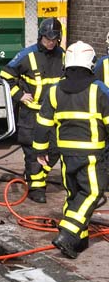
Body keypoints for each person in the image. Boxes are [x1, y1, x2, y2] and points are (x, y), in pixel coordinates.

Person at [32, 41, 109, 259]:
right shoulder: (99, 90)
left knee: (74, 193)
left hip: (66, 153)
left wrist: (40, 151)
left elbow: (43, 123)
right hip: (92, 153)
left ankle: (78, 241)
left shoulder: (54, 90)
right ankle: (68, 233)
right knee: (92, 192)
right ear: (91, 64)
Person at [0, 18, 65, 203]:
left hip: (53, 114)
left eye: (54, 39)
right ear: (40, 36)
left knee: (55, 149)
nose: (50, 42)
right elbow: (5, 75)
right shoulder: (27, 55)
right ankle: (36, 189)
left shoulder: (62, 55)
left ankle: (35, 174)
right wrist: (19, 94)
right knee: (33, 152)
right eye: (47, 39)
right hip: (32, 114)